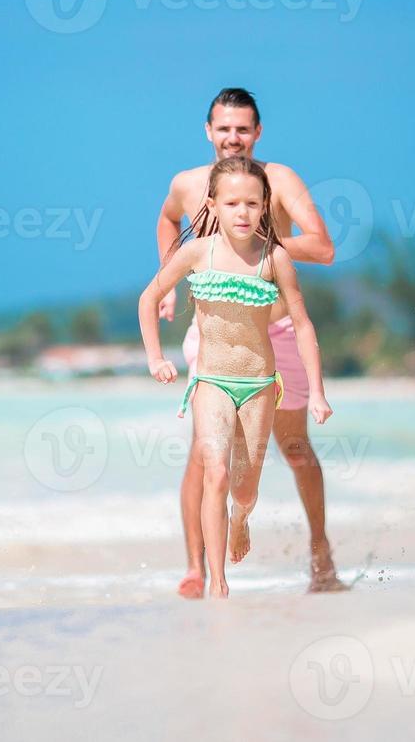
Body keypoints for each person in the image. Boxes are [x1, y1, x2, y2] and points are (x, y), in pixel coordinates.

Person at [157, 88, 345, 594]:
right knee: (205, 452)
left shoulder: (278, 181)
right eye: (224, 129)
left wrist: (255, 243)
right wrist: (169, 286)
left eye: (243, 129)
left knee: (296, 447)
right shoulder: (188, 184)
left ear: (258, 132)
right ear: (208, 131)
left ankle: (321, 558)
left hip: (276, 334)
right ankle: (198, 567)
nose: (233, 139)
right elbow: (167, 220)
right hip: (213, 336)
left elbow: (324, 247)